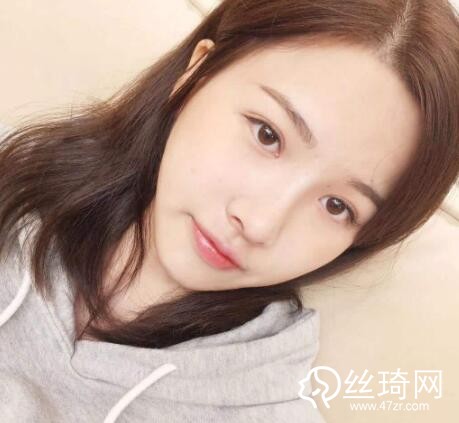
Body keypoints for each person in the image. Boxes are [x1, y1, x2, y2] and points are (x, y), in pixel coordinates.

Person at [1, 0, 459, 421]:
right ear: (197, 71)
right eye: (267, 135)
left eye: (337, 206)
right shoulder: (14, 182)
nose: (260, 223)